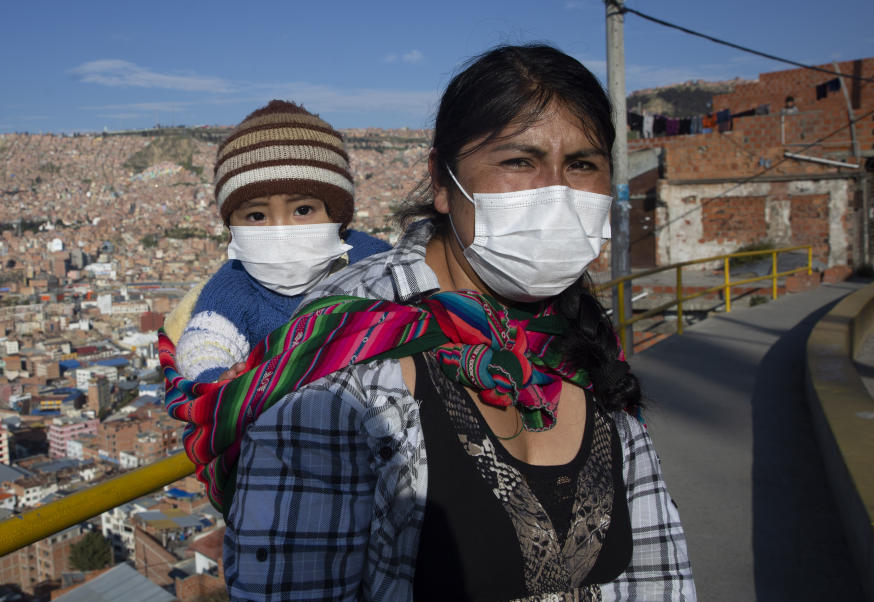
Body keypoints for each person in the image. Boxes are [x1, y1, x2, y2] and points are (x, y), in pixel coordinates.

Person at [165, 44, 694, 600]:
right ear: (442, 181)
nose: (555, 193)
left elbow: (658, 566)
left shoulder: (578, 327)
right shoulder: (344, 355)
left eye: (582, 164)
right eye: (519, 160)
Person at [173, 100, 391, 382]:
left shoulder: (369, 259)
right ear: (231, 225)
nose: (280, 232)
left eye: (302, 210)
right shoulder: (235, 286)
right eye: (256, 216)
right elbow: (204, 342)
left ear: (338, 217)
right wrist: (219, 379)